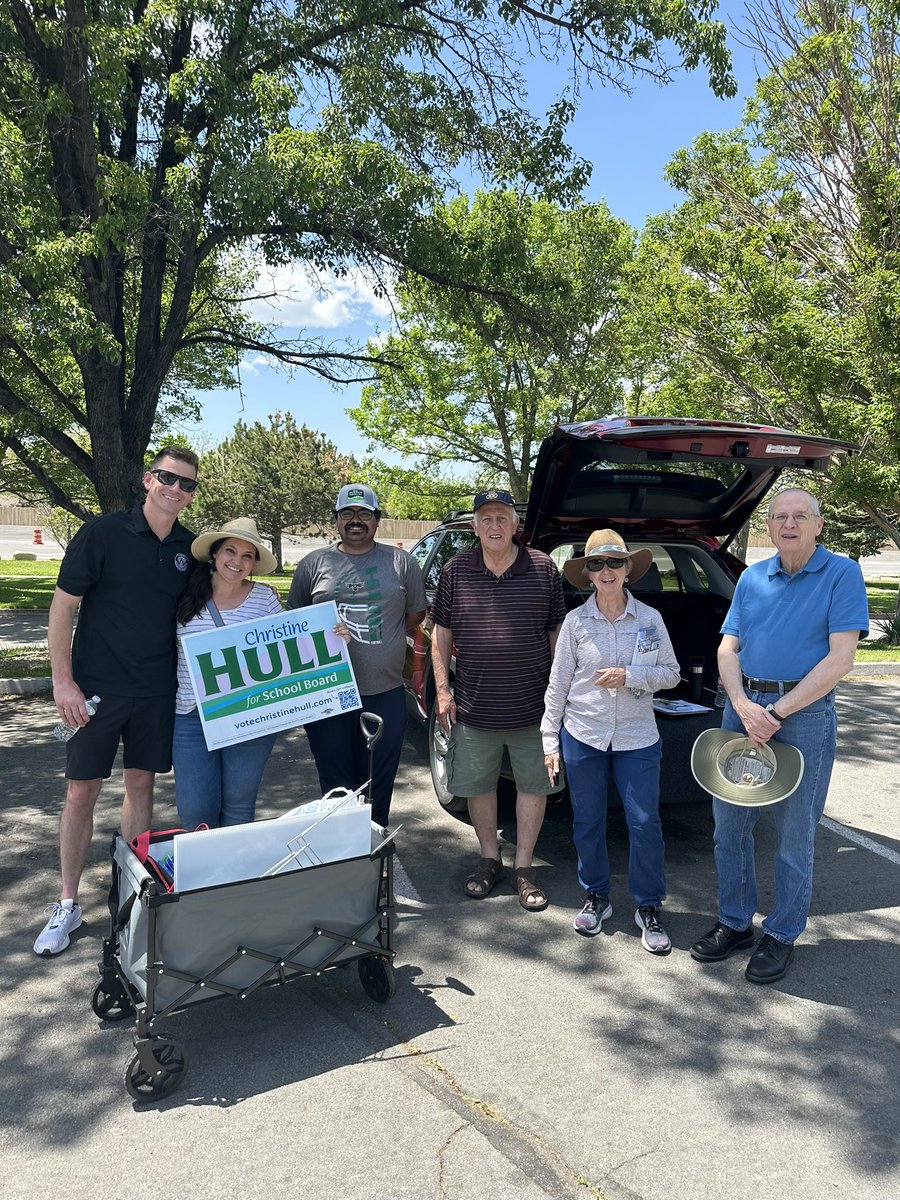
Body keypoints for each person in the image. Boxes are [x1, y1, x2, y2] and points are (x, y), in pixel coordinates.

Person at [690, 488, 869, 984]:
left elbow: (841, 659)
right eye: (779, 517)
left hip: (803, 716)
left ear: (818, 524)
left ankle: (783, 933)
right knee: (729, 826)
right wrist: (743, 705)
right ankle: (734, 922)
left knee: (794, 834)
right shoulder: (752, 577)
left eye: (799, 516)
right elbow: (728, 649)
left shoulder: (842, 574)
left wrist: (775, 712)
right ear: (768, 526)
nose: (789, 524)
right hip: (743, 710)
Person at [35, 446, 198, 956]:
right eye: (168, 478)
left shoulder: (190, 549)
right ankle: (67, 902)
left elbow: (220, 599)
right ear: (149, 479)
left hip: (155, 690)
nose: (175, 489)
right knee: (81, 792)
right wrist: (63, 682)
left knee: (140, 786)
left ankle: (131, 894)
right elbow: (63, 607)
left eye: (187, 484)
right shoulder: (102, 533)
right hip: (94, 691)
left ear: (192, 495)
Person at [541, 530, 681, 951]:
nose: (607, 570)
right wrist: (550, 740)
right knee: (588, 821)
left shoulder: (650, 619)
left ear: (627, 570)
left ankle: (649, 905)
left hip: (637, 738)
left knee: (645, 822)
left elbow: (671, 674)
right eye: (597, 563)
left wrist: (630, 676)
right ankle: (596, 896)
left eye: (615, 562)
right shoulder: (575, 622)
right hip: (583, 735)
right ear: (587, 573)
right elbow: (558, 684)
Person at [431, 488, 565, 911]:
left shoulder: (543, 568)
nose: (494, 526)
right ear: (475, 526)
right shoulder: (455, 570)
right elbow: (441, 633)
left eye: (502, 518)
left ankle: (524, 867)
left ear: (515, 525)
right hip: (474, 707)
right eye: (486, 518)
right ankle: (489, 858)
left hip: (533, 708)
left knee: (533, 787)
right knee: (479, 787)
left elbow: (557, 634)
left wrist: (559, 696)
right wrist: (442, 690)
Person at [287, 484, 426, 827]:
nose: (355, 520)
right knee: (335, 784)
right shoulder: (313, 564)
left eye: (364, 514)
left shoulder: (401, 562)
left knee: (378, 780)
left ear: (377, 520)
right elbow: (295, 623)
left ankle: (373, 846)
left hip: (384, 692)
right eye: (347, 513)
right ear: (336, 519)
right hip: (327, 695)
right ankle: (339, 848)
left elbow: (413, 616)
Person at [172, 518, 283, 829]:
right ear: (215, 554)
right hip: (191, 715)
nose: (237, 561)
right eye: (230, 551)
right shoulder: (184, 594)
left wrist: (333, 635)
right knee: (195, 811)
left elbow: (295, 644)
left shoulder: (265, 599)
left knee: (238, 807)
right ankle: (202, 863)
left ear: (254, 563)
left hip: (250, 713)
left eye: (247, 555)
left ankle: (235, 862)